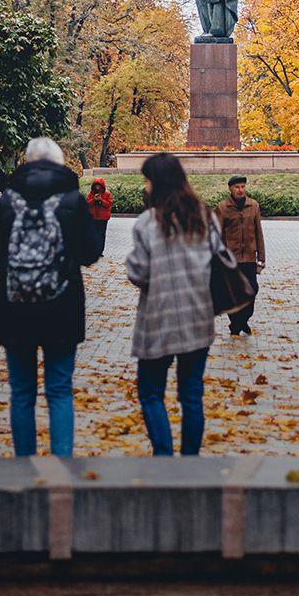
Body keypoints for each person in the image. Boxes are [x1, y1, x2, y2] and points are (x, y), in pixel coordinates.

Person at [0, 136, 101, 457]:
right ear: (59, 163)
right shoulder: (73, 201)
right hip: (62, 308)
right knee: (60, 389)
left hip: (15, 307)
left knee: (22, 392)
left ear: (28, 161)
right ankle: (61, 463)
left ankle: (25, 464)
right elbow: (91, 253)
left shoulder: (7, 202)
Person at [125, 152, 217, 456]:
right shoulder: (204, 216)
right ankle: (190, 460)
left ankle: (164, 457)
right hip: (197, 316)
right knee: (191, 395)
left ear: (157, 183)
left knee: (151, 393)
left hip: (159, 316)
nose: (146, 186)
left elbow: (138, 272)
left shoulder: (147, 222)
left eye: (148, 180)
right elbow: (219, 260)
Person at [215, 175, 265, 334]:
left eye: (243, 186)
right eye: (237, 187)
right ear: (230, 189)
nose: (240, 190)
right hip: (231, 259)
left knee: (252, 290)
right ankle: (236, 324)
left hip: (249, 258)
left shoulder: (253, 206)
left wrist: (261, 258)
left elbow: (258, 233)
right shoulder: (222, 208)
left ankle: (242, 320)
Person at [85, 179, 114, 248]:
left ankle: (100, 248)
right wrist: (93, 200)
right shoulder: (91, 194)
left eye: (99, 186)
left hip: (103, 218)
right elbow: (87, 204)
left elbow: (109, 204)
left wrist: (101, 200)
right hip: (93, 218)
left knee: (101, 234)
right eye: (96, 186)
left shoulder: (107, 194)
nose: (97, 187)